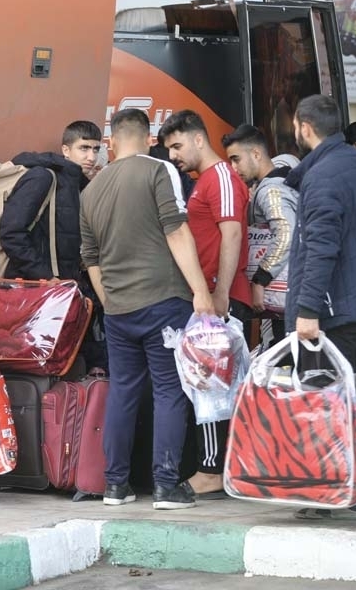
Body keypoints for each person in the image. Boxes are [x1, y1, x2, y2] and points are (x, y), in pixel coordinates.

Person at [80, 108, 216, 511]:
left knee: (123, 391)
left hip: (119, 309)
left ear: (112, 141)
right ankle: (166, 485)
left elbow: (91, 258)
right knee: (170, 391)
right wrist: (200, 292)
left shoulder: (91, 190)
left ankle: (114, 485)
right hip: (163, 301)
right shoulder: (159, 171)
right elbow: (176, 230)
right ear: (149, 136)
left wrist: (111, 303)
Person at [286, 94, 356, 519]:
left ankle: (325, 492)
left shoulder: (324, 176)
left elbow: (321, 248)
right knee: (347, 395)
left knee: (321, 397)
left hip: (338, 308)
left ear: (304, 126)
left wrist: (307, 309)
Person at [160, 110, 253, 497]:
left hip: (221, 300)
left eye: (177, 146)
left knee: (210, 384)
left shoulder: (221, 179)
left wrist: (220, 295)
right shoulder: (204, 182)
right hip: (212, 298)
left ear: (199, 139)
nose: (174, 155)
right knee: (207, 383)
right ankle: (213, 466)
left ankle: (211, 470)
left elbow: (231, 236)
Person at [223, 123, 299, 349]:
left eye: (237, 159)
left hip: (280, 291)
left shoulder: (271, 190)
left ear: (256, 154)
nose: (234, 168)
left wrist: (260, 279)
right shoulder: (288, 181)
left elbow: (286, 232)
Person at [0, 120, 101, 281]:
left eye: (96, 149)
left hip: (64, 285)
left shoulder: (81, 185)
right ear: (66, 150)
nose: (92, 157)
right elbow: (11, 233)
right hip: (34, 287)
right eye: (84, 148)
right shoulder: (43, 177)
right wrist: (44, 276)